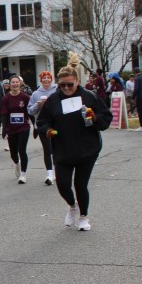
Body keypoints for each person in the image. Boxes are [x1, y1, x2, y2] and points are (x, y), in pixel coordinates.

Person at [36, 55, 112, 231]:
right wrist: (48, 130)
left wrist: (95, 117)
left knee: (80, 184)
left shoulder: (89, 97)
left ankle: (84, 217)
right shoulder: (53, 100)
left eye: (70, 84)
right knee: (63, 185)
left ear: (77, 81)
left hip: (87, 149)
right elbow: (42, 121)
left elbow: (106, 118)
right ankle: (72, 205)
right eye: (62, 85)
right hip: (63, 150)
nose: (66, 88)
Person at [27, 70, 58, 185]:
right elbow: (30, 110)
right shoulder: (36, 94)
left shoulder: (56, 90)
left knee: (57, 148)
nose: (46, 80)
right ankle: (49, 174)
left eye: (48, 78)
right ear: (41, 80)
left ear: (51, 79)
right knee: (47, 149)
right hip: (42, 125)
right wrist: (37, 105)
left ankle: (57, 171)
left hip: (56, 124)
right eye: (44, 78)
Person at [1, 76, 32, 184]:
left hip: (23, 127)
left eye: (16, 82)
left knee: (22, 150)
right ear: (10, 84)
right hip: (11, 128)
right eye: (13, 82)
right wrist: (4, 129)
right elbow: (4, 114)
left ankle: (23, 174)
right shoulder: (6, 98)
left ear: (20, 83)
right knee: (13, 153)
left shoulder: (25, 97)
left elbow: (30, 112)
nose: (15, 84)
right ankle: (17, 164)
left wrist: (36, 125)